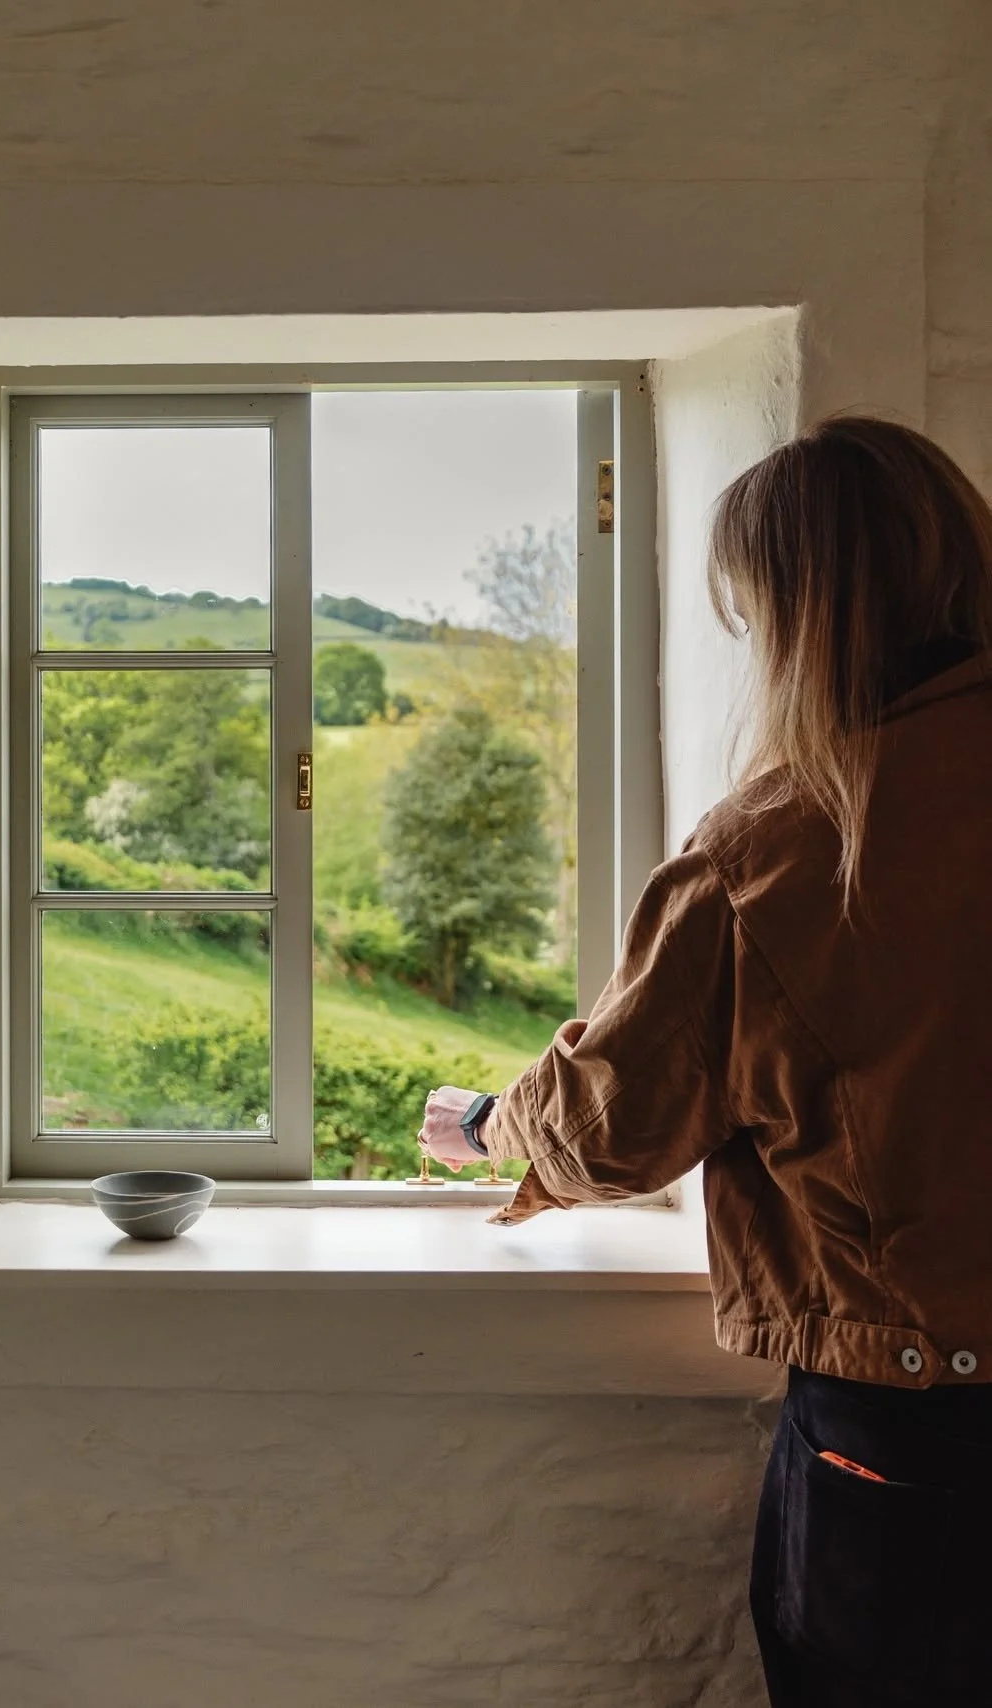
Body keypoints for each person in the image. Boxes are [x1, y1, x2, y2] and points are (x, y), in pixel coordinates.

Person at [417, 416, 992, 1708]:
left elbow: (614, 1120)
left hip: (913, 1434)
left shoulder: (781, 850)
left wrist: (495, 1121)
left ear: (803, 617)